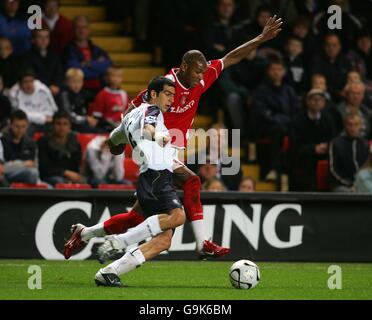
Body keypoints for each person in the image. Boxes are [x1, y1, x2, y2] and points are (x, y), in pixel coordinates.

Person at [64, 15, 283, 260]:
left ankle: (84, 233)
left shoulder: (201, 77)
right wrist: (124, 139)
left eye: (203, 72)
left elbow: (231, 57)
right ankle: (203, 243)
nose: (202, 77)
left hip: (171, 152)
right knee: (192, 181)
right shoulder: (164, 87)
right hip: (155, 152)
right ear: (184, 66)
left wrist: (261, 38)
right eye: (198, 72)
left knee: (135, 216)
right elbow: (132, 112)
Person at [68, 77, 186, 287]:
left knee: (159, 236)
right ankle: (119, 242)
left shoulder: (129, 117)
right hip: (157, 176)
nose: (171, 100)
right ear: (152, 94)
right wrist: (157, 136)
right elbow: (150, 127)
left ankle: (92, 244)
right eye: (167, 94)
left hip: (149, 177)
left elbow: (112, 142)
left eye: (173, 96)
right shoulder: (153, 111)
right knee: (177, 216)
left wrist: (127, 142)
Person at [63, 15, 112, 93]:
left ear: (89, 29)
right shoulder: (67, 50)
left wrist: (89, 64)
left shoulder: (97, 50)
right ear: (73, 30)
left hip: (100, 91)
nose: (81, 30)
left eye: (84, 27)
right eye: (78, 27)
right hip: (78, 91)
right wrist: (97, 66)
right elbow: (77, 71)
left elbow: (108, 65)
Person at [38, 111, 83, 186]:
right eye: (58, 124)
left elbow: (76, 166)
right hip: (49, 177)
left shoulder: (75, 143)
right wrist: (65, 172)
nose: (62, 128)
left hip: (69, 177)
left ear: (69, 126)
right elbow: (44, 168)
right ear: (53, 125)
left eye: (65, 124)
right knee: (60, 181)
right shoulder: (43, 141)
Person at [8, 70, 58, 135]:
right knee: (22, 128)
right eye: (25, 82)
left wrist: (45, 118)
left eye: (31, 81)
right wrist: (42, 118)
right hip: (28, 123)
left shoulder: (43, 89)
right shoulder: (14, 93)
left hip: (47, 122)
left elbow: (53, 109)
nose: (29, 85)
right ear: (20, 84)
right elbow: (20, 115)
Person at [329, 113, 370, 192]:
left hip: (361, 183)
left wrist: (360, 184)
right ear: (345, 126)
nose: (353, 128)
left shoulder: (365, 144)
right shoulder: (336, 143)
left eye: (356, 124)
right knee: (350, 193)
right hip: (342, 184)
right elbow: (333, 170)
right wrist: (350, 185)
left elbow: (368, 167)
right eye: (350, 124)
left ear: (360, 126)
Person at [0, 110, 38, 184]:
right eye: (17, 126)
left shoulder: (30, 143)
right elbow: (2, 168)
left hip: (26, 175)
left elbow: (34, 165)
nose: (20, 130)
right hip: (6, 176)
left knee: (48, 187)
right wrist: (23, 164)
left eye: (23, 126)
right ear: (10, 125)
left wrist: (12, 164)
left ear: (27, 125)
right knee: (32, 173)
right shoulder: (2, 140)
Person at [88, 66, 129, 132]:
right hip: (106, 126)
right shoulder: (102, 94)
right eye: (113, 76)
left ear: (122, 78)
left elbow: (127, 113)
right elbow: (97, 116)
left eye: (118, 76)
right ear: (108, 77)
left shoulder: (124, 94)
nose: (115, 79)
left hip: (120, 126)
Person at [56, 68, 96, 133]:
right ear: (67, 82)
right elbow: (68, 115)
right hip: (69, 123)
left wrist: (89, 119)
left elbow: (83, 111)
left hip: (80, 122)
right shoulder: (64, 94)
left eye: (79, 82)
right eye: (73, 82)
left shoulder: (81, 94)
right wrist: (85, 119)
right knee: (87, 129)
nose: (77, 85)